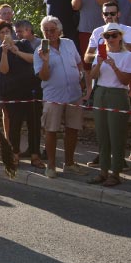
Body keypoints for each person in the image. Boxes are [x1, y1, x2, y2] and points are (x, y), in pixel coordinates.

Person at [33, 16, 87, 179]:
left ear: (59, 30)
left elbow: (79, 63)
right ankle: (50, 165)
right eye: (46, 31)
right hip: (53, 96)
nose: (49, 33)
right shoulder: (39, 51)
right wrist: (45, 61)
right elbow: (43, 76)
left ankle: (69, 163)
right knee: (51, 130)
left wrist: (82, 79)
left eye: (52, 30)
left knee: (73, 129)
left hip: (74, 94)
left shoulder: (69, 44)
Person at [0, 21, 44, 169]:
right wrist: (4, 52)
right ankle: (14, 154)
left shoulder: (23, 44)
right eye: (2, 33)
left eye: (7, 31)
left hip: (30, 90)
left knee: (34, 124)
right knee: (14, 125)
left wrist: (16, 51)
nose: (5, 35)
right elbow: (4, 70)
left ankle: (35, 155)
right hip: (12, 93)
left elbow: (33, 59)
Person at [87, 23, 131, 187]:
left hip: (118, 94)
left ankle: (116, 173)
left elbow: (125, 81)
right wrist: (98, 63)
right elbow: (92, 76)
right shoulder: (100, 53)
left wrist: (113, 65)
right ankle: (103, 171)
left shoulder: (127, 56)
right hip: (101, 93)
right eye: (107, 36)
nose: (111, 39)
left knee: (116, 135)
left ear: (120, 36)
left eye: (114, 35)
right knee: (102, 135)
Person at [72, 0, 118, 97]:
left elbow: (110, 4)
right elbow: (75, 7)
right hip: (85, 31)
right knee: (88, 62)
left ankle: (109, 90)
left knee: (108, 60)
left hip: (107, 33)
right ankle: (89, 92)